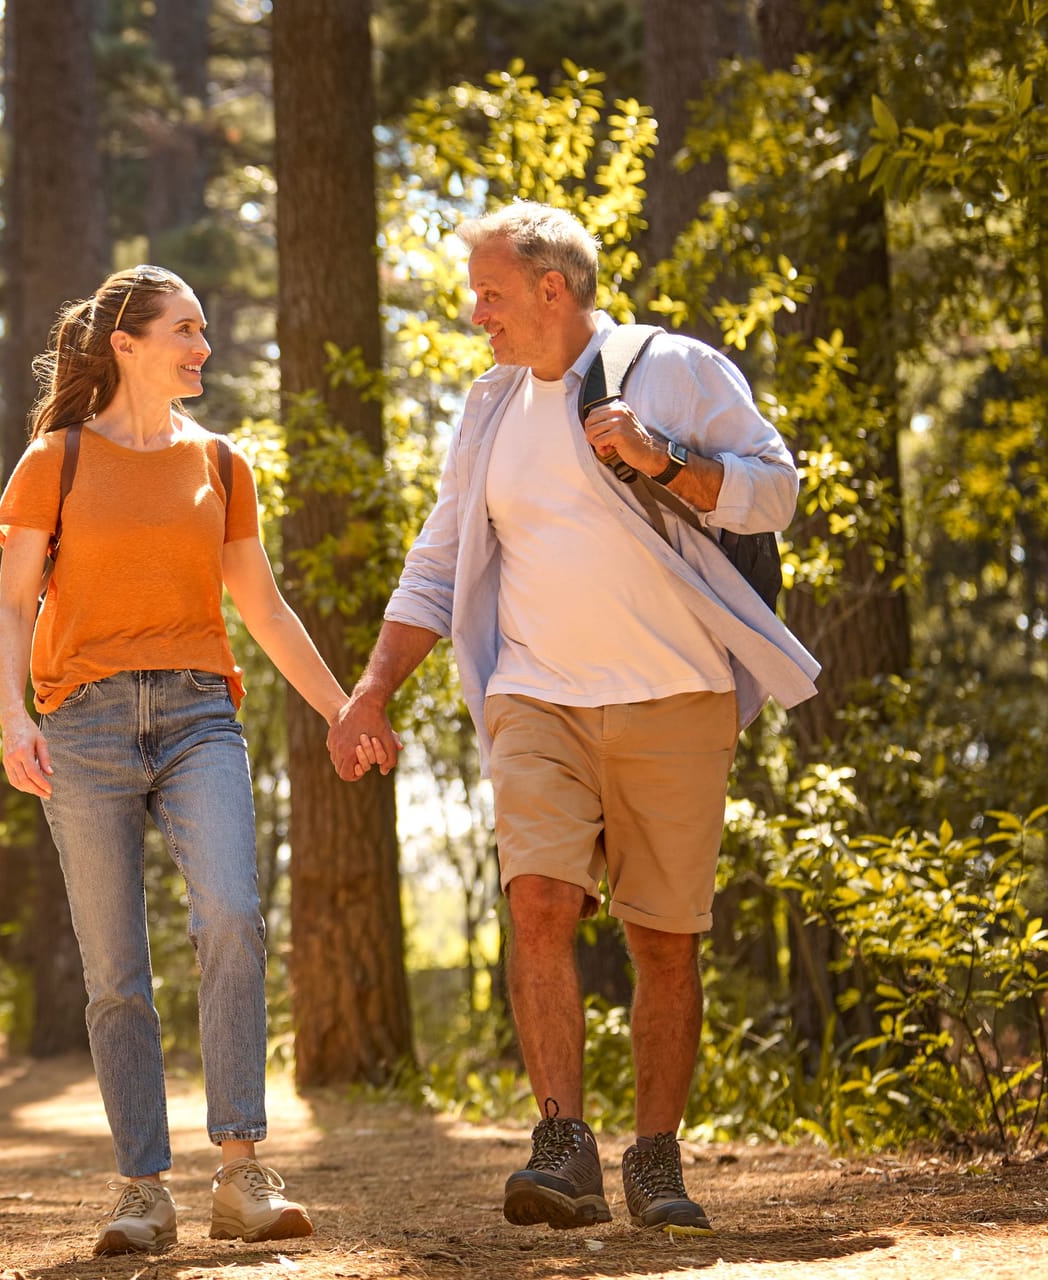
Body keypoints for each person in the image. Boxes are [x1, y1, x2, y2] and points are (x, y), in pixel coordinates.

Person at [327, 202, 820, 1236]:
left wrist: (664, 457)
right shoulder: (491, 406)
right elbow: (440, 560)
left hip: (674, 695)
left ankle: (653, 1155)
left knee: (663, 939)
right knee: (541, 901)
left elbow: (776, 491)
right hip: (537, 694)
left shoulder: (675, 368)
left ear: (553, 288)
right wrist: (372, 690)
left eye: (491, 293)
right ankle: (562, 1142)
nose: (477, 315)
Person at [0, 265, 381, 1256]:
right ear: (125, 342)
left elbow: (264, 606)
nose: (203, 347)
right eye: (185, 329)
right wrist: (13, 718)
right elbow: (12, 606)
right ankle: (141, 1188)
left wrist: (345, 707)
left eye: (204, 330)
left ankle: (242, 1169)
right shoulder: (57, 458)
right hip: (81, 722)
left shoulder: (224, 462)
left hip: (202, 710)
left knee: (233, 915)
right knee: (115, 966)